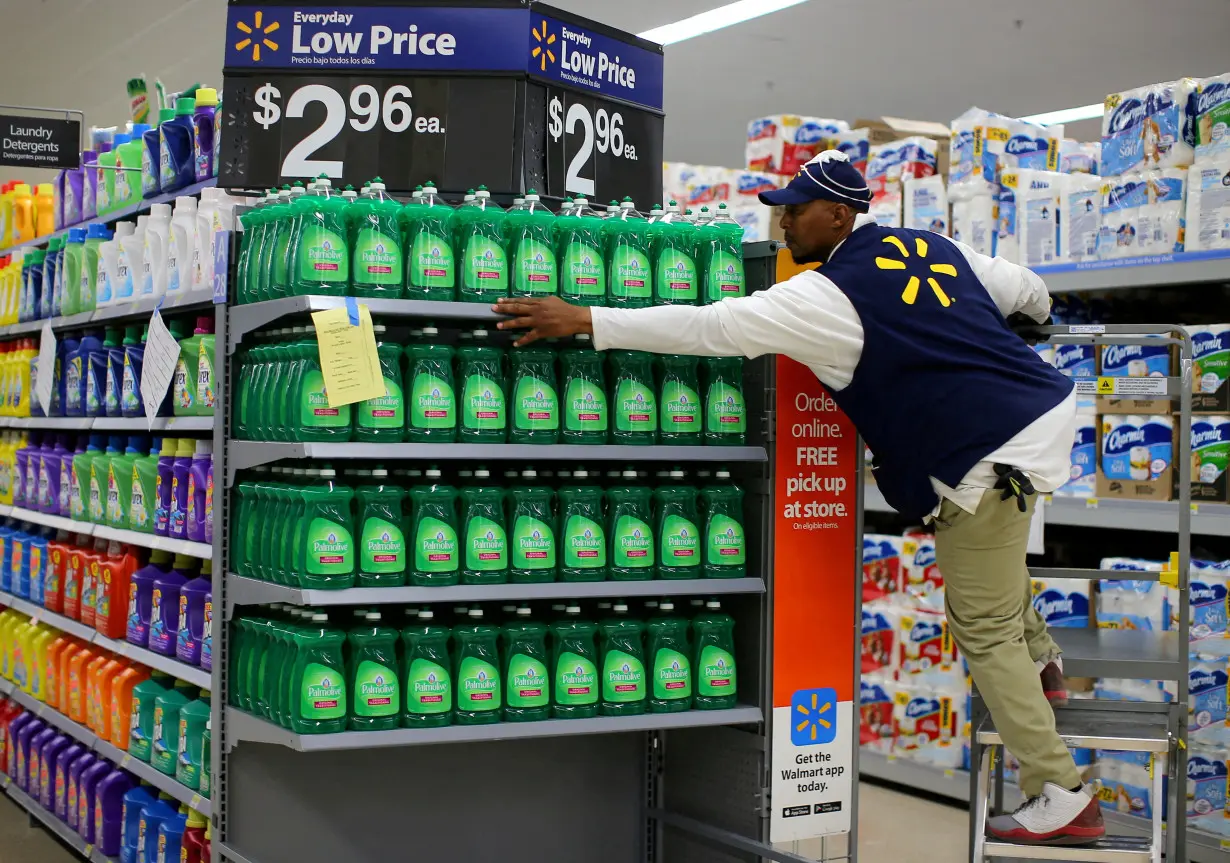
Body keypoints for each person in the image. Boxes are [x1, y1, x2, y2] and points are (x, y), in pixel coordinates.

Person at [494, 149, 1103, 847]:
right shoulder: (931, 246)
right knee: (996, 563)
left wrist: (588, 321)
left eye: (795, 209)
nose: (782, 221)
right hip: (1038, 419)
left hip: (982, 455)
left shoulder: (825, 298)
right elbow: (1027, 287)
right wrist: (1025, 328)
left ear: (838, 214)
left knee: (981, 621)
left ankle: (1059, 790)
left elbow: (713, 329)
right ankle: (1045, 664)